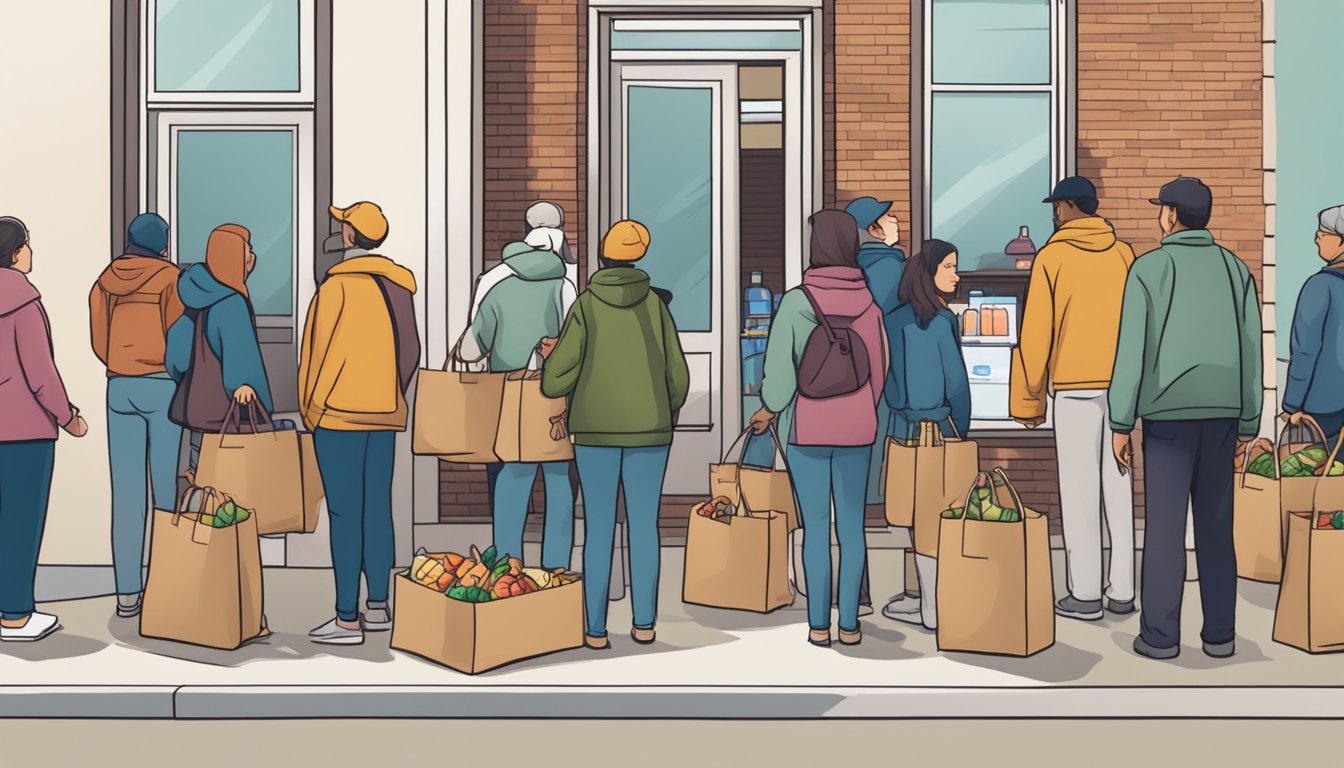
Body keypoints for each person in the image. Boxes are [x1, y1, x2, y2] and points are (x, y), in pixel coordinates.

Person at [1109, 177, 1262, 660]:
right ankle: (1220, 636)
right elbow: (1252, 350)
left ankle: (1160, 636)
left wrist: (1120, 421)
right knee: (1218, 528)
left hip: (1167, 419)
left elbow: (1131, 351)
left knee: (1165, 529)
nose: (1160, 216)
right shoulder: (1236, 270)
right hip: (1222, 415)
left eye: (1162, 209)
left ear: (1172, 215)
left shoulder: (1148, 269)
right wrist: (1249, 423)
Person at [542, 219, 688, 650]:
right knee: (645, 525)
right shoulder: (657, 307)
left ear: (603, 258)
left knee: (600, 527)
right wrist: (664, 412)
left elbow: (555, 381)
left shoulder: (586, 306)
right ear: (638, 258)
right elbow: (677, 375)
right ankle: (644, 624)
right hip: (651, 432)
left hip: (594, 433)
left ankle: (595, 630)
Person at [751, 209, 886, 648]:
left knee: (814, 528)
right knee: (851, 528)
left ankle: (818, 625)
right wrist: (862, 406)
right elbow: (879, 371)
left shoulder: (796, 302)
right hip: (858, 431)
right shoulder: (869, 303)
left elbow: (780, 375)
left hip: (807, 431)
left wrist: (769, 409)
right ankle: (849, 623)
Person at [1011, 176, 1137, 622]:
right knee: (1119, 487)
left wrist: (1028, 402)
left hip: (1075, 390)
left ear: (1067, 207)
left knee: (1080, 490)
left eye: (1056, 206)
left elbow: (1036, 333)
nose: (1053, 212)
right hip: (1120, 388)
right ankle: (1122, 590)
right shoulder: (1124, 254)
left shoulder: (1053, 257)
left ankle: (1084, 593)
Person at [301, 201, 420, 646]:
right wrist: (392, 394)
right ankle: (379, 607)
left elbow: (315, 355)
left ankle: (346, 617)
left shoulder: (335, 288)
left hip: (338, 418)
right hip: (385, 415)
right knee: (377, 510)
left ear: (350, 235)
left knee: (344, 513)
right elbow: (411, 351)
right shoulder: (400, 287)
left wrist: (312, 409)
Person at [89, 213, 184, 619]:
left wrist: (118, 362)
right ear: (162, 244)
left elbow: (98, 340)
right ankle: (167, 587)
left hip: (119, 387)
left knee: (126, 494)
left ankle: (127, 593)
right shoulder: (171, 279)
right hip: (162, 386)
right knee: (166, 491)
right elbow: (178, 341)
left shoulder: (104, 281)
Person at [0, 216, 89, 642]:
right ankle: (15, 614)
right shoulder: (23, 302)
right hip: (24, 433)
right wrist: (68, 417)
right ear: (15, 253)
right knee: (20, 521)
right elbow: (40, 374)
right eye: (27, 244)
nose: (31, 251)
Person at [469, 239, 576, 570]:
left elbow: (473, 349)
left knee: (513, 475)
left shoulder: (498, 291)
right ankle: (556, 571)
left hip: (509, 395)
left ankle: (507, 566)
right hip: (554, 394)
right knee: (559, 480)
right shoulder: (565, 288)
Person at [881, 239, 970, 631]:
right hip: (939, 433)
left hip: (903, 432)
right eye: (948, 267)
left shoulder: (892, 321)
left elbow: (889, 384)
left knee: (917, 520)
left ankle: (928, 603)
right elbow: (957, 383)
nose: (955, 274)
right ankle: (935, 608)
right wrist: (960, 429)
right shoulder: (944, 321)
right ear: (929, 273)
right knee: (940, 519)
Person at [165, 224, 273, 471]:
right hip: (228, 420)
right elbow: (241, 357)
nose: (252, 257)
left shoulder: (196, 299)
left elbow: (176, 358)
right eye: (248, 249)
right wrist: (243, 385)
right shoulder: (232, 303)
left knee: (204, 491)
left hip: (198, 416)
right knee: (232, 495)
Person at [845, 196, 905, 619]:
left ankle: (855, 592)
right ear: (874, 229)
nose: (895, 218)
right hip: (884, 395)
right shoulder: (888, 268)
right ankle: (883, 591)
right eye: (887, 216)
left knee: (848, 500)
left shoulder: (846, 272)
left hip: (845, 396)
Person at [1281, 205, 1344, 440]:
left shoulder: (1319, 286)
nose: (1317, 237)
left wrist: (1291, 405)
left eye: (1325, 232)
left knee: (1318, 472)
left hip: (1324, 407)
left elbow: (1305, 350)